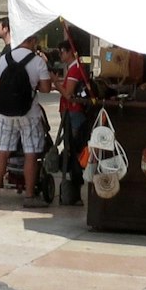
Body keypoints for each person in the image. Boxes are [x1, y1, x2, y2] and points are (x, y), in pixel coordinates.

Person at [0, 29, 52, 207]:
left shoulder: (5, 59)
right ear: (31, 41)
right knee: (30, 153)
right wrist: (34, 85)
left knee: (3, 152)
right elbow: (46, 88)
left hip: (7, 113)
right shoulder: (38, 61)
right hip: (29, 113)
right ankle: (29, 196)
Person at [55, 39, 94, 204]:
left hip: (74, 113)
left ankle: (76, 189)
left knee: (75, 150)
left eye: (62, 52)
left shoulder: (74, 69)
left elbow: (68, 94)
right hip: (72, 113)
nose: (61, 55)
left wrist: (55, 82)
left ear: (69, 52)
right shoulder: (75, 68)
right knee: (73, 149)